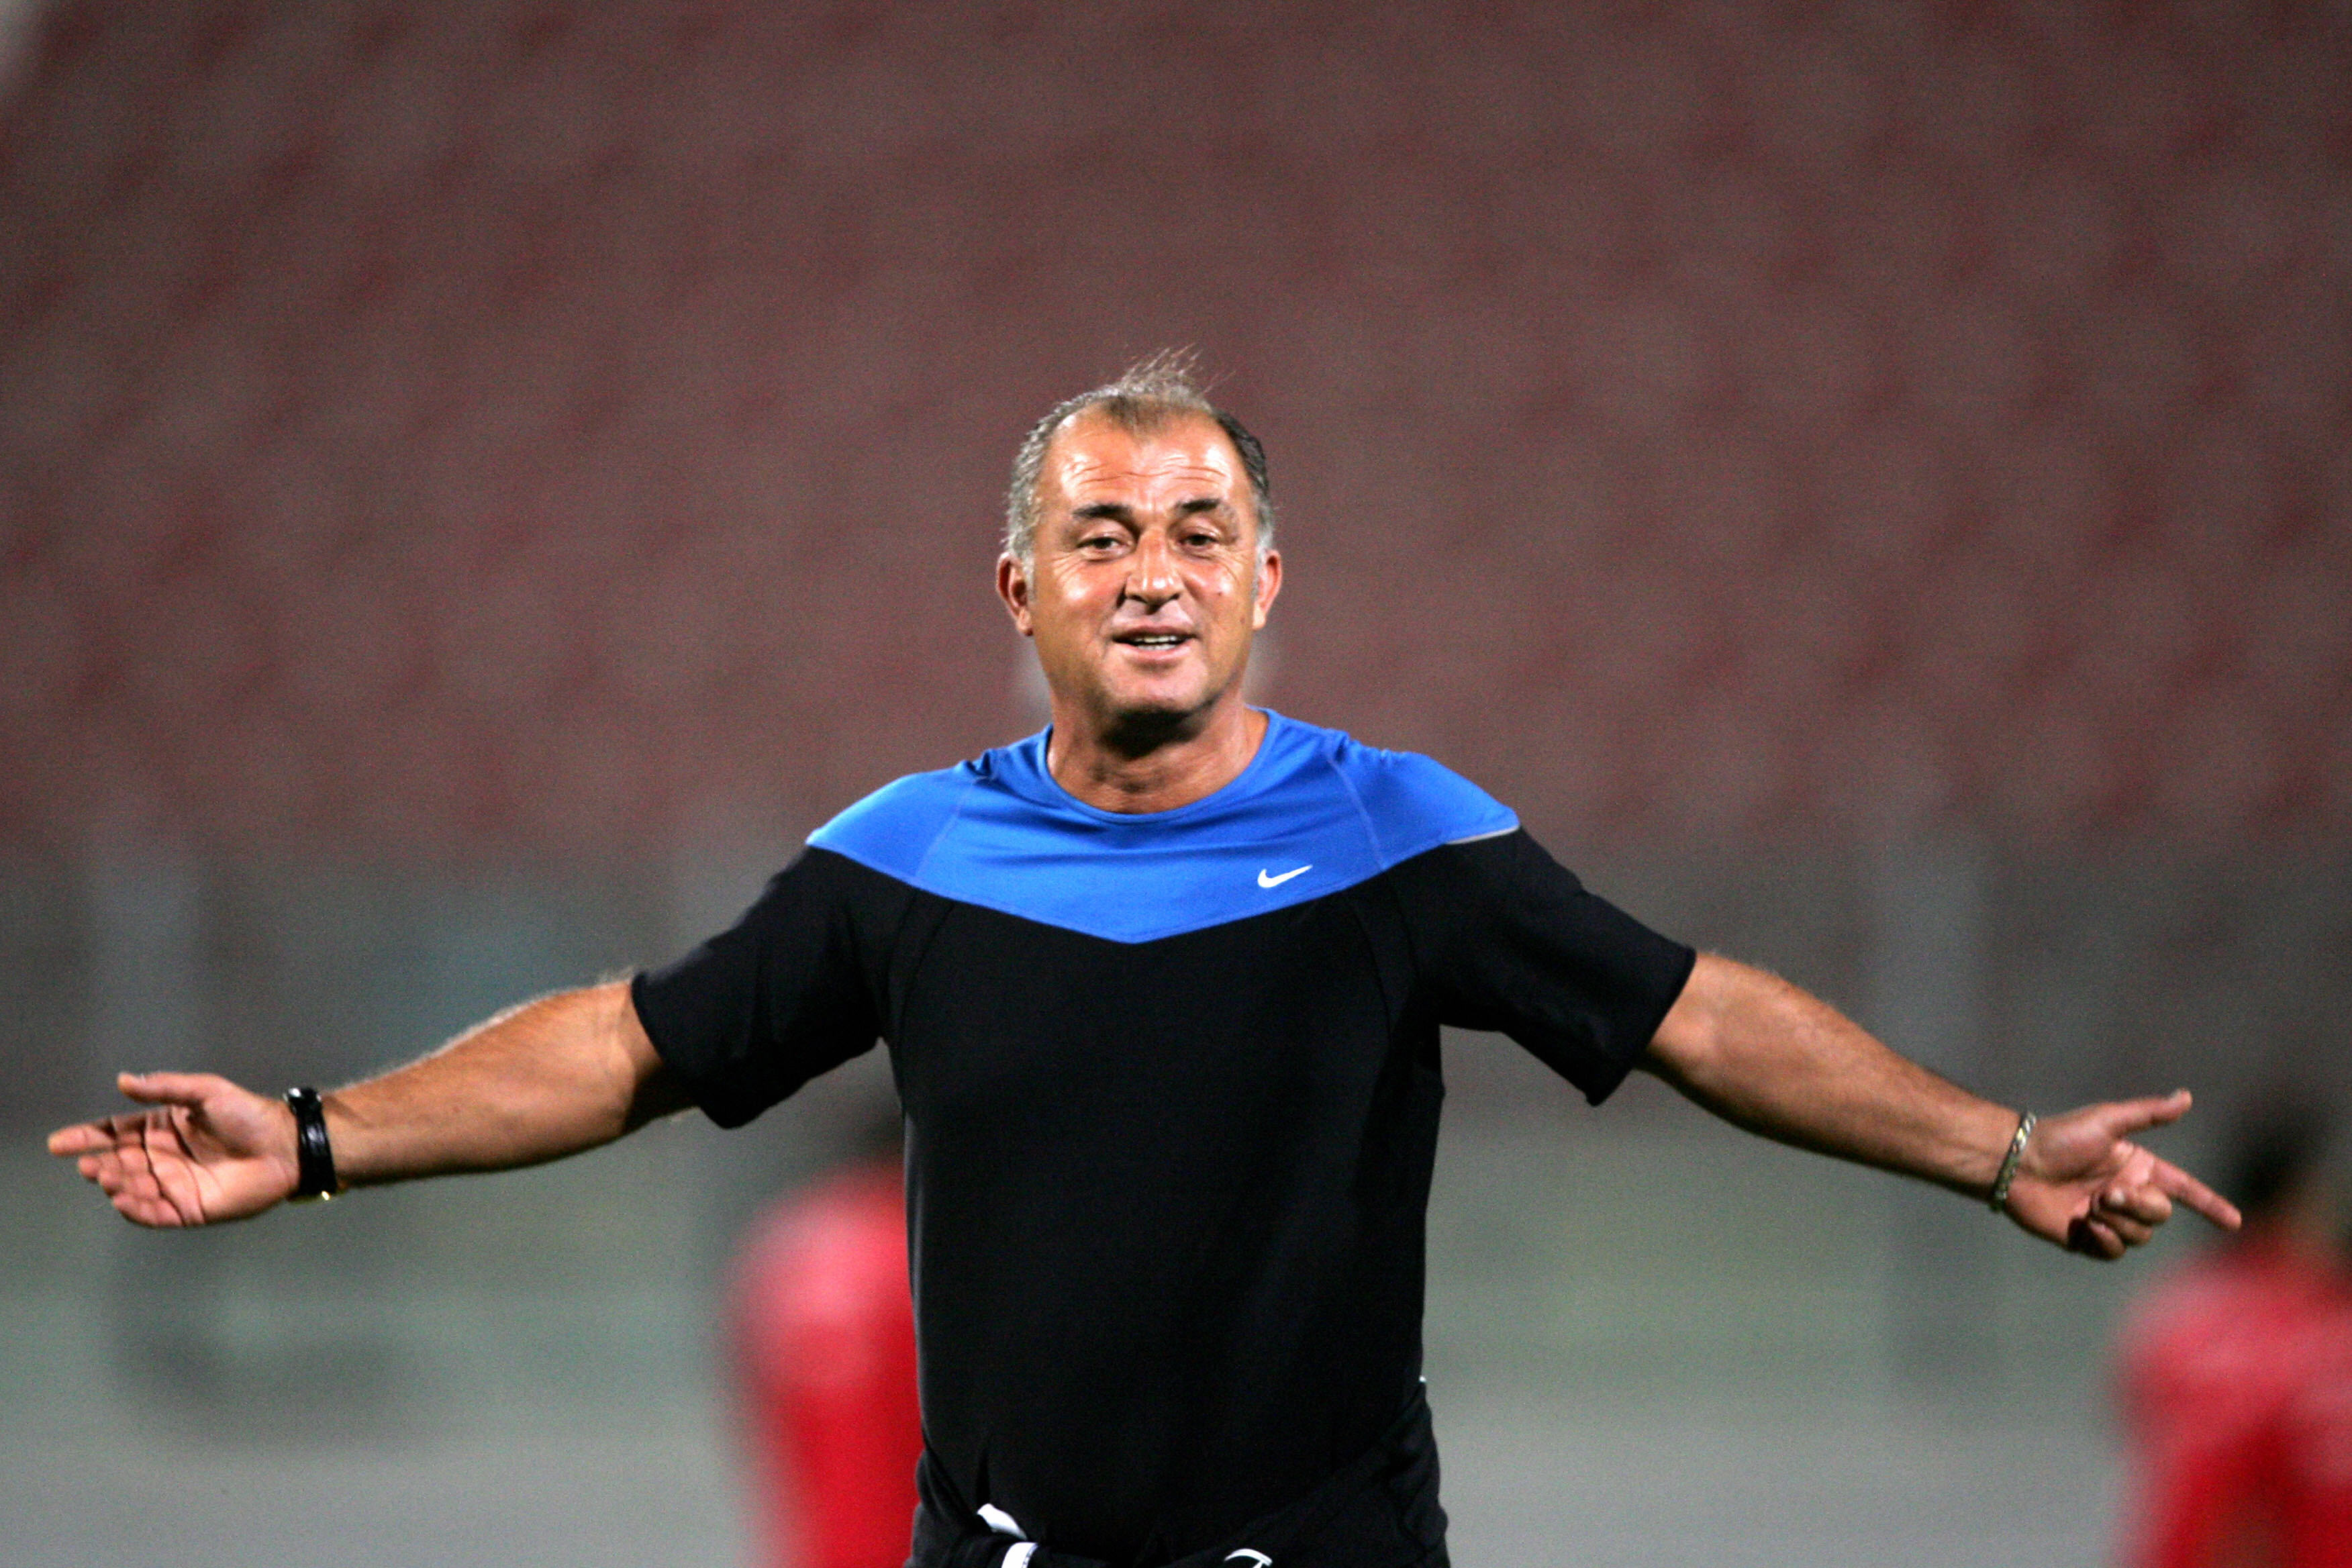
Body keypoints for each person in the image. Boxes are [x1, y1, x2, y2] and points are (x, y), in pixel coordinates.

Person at [52, 357, 2242, 1568]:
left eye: (1199, 530)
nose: (1156, 572)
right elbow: (634, 1044)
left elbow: (1692, 1011)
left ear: (1271, 572)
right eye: (1102, 533)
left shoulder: (1399, 833)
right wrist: (319, 1134)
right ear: (1017, 583)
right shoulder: (908, 858)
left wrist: (1996, 1143)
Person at [2117, 1107, 2352, 1567]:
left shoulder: (2176, 1305)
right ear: (2296, 1204)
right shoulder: (2316, 1320)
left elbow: (2138, 1412)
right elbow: (2250, 1502)